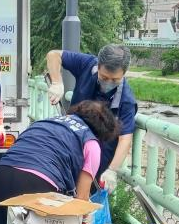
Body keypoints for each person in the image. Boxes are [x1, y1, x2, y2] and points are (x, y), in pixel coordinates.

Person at [0, 101, 119, 224]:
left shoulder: (47, 121)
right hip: (39, 181)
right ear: (103, 133)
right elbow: (82, 198)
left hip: (2, 172)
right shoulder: (91, 142)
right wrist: (84, 219)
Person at [45, 44, 137, 190]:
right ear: (98, 66)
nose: (108, 83)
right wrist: (56, 82)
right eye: (104, 77)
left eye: (115, 80)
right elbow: (53, 55)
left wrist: (112, 170)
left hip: (97, 161)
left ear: (124, 74)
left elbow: (125, 139)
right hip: (69, 147)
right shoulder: (87, 64)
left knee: (85, 200)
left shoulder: (126, 100)